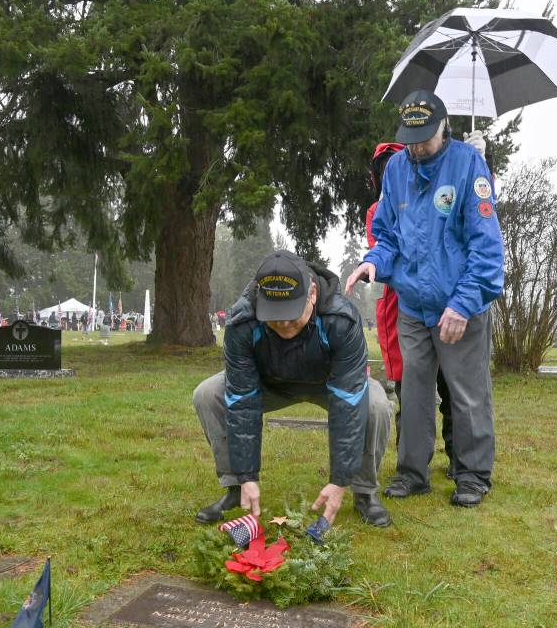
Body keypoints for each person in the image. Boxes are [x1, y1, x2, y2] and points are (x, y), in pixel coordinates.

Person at [346, 90, 504, 507]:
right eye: (410, 137)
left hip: (460, 306)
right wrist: (373, 263)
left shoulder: (470, 166)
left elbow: (486, 250)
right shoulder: (397, 169)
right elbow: (388, 233)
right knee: (413, 392)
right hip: (414, 305)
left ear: (443, 128)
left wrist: (463, 303)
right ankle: (412, 473)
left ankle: (472, 476)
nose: (417, 146)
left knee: (467, 393)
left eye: (424, 137)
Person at [193, 250, 393, 528]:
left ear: (311, 294)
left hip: (329, 383)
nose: (284, 324)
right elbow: (241, 398)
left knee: (375, 404)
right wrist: (247, 474)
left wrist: (339, 480)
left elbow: (349, 398)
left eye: (290, 313)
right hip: (269, 383)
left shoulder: (341, 318)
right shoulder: (243, 321)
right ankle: (236, 488)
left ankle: (364, 492)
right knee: (208, 394)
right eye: (274, 316)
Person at [364, 142, 457, 479]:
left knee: (451, 385)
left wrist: (486, 167)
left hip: (443, 301)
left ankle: (458, 460)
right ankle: (412, 465)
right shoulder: (378, 211)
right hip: (401, 307)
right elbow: (387, 250)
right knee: (410, 390)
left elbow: (467, 217)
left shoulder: (435, 197)